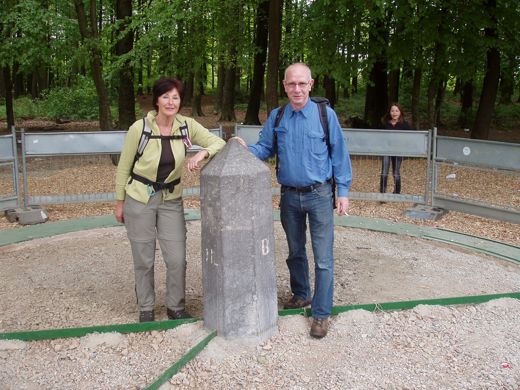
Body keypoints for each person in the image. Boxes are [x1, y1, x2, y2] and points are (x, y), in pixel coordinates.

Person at [235, 63, 352, 338]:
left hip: (320, 195)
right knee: (295, 252)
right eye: (291, 84)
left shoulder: (325, 115)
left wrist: (343, 192)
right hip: (289, 197)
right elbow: (264, 148)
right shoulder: (277, 117)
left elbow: (339, 153)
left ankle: (321, 314)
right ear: (285, 86)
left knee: (323, 258)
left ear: (311, 84)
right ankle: (301, 294)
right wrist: (245, 148)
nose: (296, 89)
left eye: (302, 84)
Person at [115, 77, 225, 323]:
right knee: (143, 257)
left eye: (175, 97)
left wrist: (201, 154)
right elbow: (123, 168)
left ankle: (176, 306)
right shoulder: (139, 128)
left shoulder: (186, 126)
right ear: (156, 99)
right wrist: (119, 201)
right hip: (139, 197)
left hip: (171, 199)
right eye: (166, 96)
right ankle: (146, 307)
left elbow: (219, 142)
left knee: (176, 258)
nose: (170, 102)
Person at [379, 103, 411, 195]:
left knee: (396, 171)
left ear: (400, 112)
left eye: (397, 111)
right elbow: (379, 136)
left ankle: (397, 192)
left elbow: (410, 138)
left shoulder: (405, 125)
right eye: (392, 110)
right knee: (384, 171)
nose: (394, 113)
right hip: (386, 151)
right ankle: (382, 192)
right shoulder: (385, 123)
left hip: (398, 151)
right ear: (389, 112)